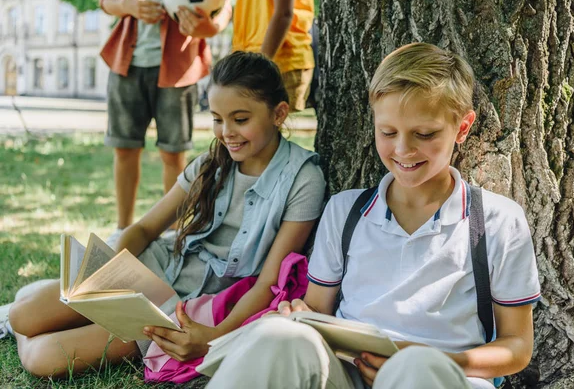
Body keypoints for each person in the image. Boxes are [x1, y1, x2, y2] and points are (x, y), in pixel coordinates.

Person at [201, 43, 542, 389]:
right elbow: (318, 308)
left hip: (442, 375)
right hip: (350, 374)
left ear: (463, 127)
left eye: (424, 134)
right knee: (277, 336)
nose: (403, 150)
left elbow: (517, 347)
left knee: (416, 368)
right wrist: (299, 316)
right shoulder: (344, 212)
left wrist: (431, 359)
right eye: (388, 132)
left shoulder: (498, 222)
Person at [8, 51, 326, 378]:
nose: (226, 132)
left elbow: (268, 282)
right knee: (22, 316)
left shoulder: (304, 179)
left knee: (43, 358)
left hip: (186, 306)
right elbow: (145, 228)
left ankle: (68, 307)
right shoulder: (210, 163)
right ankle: (69, 304)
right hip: (152, 267)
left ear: (279, 113)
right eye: (217, 119)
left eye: (240, 119)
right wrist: (106, 271)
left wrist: (215, 338)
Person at [99, 0, 233, 242]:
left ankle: (173, 233)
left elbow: (224, 3)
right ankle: (121, 229)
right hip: (126, 66)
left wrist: (212, 27)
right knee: (124, 148)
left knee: (173, 152)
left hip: (179, 69)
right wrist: (127, 6)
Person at [232, 0, 315, 112]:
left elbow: (284, 14)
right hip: (251, 59)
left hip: (280, 60)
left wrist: (260, 65)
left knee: (264, 128)